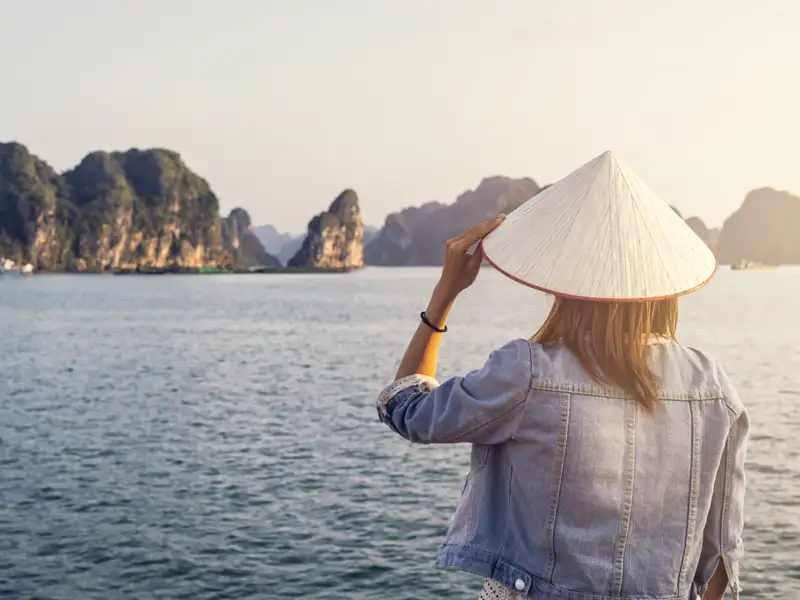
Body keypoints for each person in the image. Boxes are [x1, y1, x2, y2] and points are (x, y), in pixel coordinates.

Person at [375, 151, 748, 600]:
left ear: (567, 280)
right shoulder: (713, 388)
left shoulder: (528, 372)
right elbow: (722, 559)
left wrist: (445, 295)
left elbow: (408, 409)